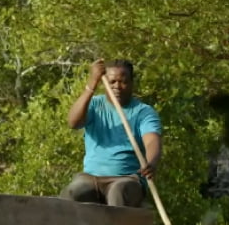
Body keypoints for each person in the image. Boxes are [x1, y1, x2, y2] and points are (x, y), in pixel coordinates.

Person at [61, 58, 162, 208]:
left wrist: (151, 162)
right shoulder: (95, 105)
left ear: (132, 83)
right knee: (73, 192)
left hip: (127, 179)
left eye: (123, 82)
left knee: (118, 193)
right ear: (104, 84)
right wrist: (91, 85)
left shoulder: (144, 112)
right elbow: (73, 122)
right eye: (112, 82)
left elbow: (152, 141)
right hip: (91, 178)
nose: (117, 86)